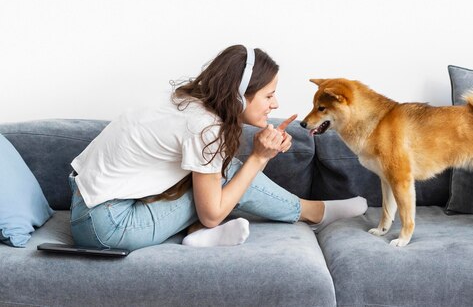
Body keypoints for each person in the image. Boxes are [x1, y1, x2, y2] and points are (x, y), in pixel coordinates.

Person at [68, 45, 367, 251]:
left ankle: (197, 234)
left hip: (94, 210)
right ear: (238, 97)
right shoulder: (205, 127)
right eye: (269, 96)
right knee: (229, 178)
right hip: (107, 225)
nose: (275, 104)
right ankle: (315, 212)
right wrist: (259, 158)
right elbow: (213, 210)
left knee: (222, 175)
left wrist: (261, 155)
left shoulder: (191, 105)